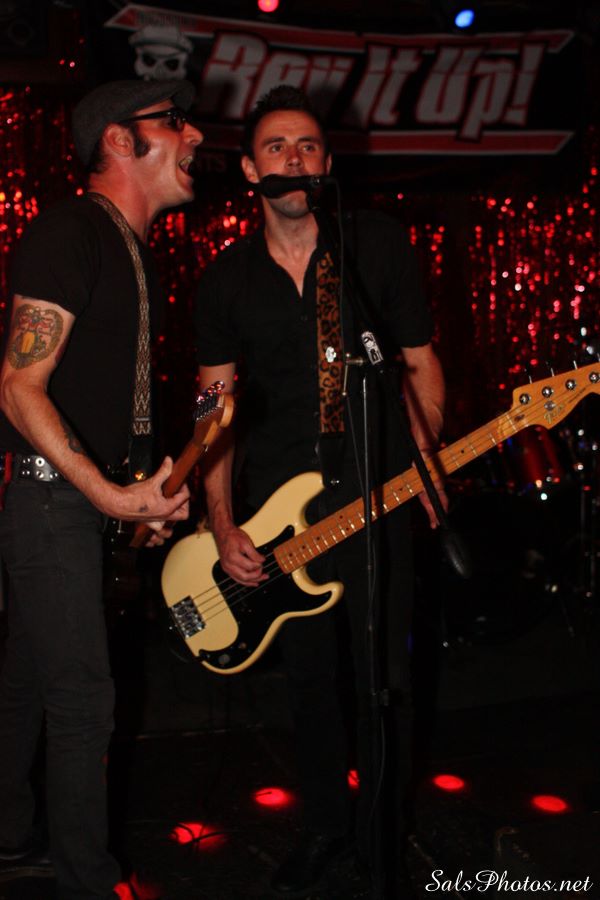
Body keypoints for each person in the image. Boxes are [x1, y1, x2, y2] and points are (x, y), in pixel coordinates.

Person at [194, 85, 445, 897]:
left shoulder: (374, 247)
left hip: (377, 494)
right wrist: (221, 521)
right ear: (249, 170)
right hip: (280, 511)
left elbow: (420, 363)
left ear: (327, 163)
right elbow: (213, 411)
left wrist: (424, 456)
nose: (293, 158)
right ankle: (325, 829)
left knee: (385, 679)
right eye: (275, 146)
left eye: (306, 145)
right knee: (310, 682)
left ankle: (382, 835)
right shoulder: (225, 281)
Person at [0, 79, 202, 900]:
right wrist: (112, 497)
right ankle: (89, 884)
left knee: (27, 683)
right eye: (175, 121)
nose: (195, 135)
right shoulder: (71, 231)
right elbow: (18, 388)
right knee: (84, 700)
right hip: (51, 503)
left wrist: (138, 497)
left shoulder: (128, 248)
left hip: (71, 505)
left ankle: (9, 840)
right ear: (120, 139)